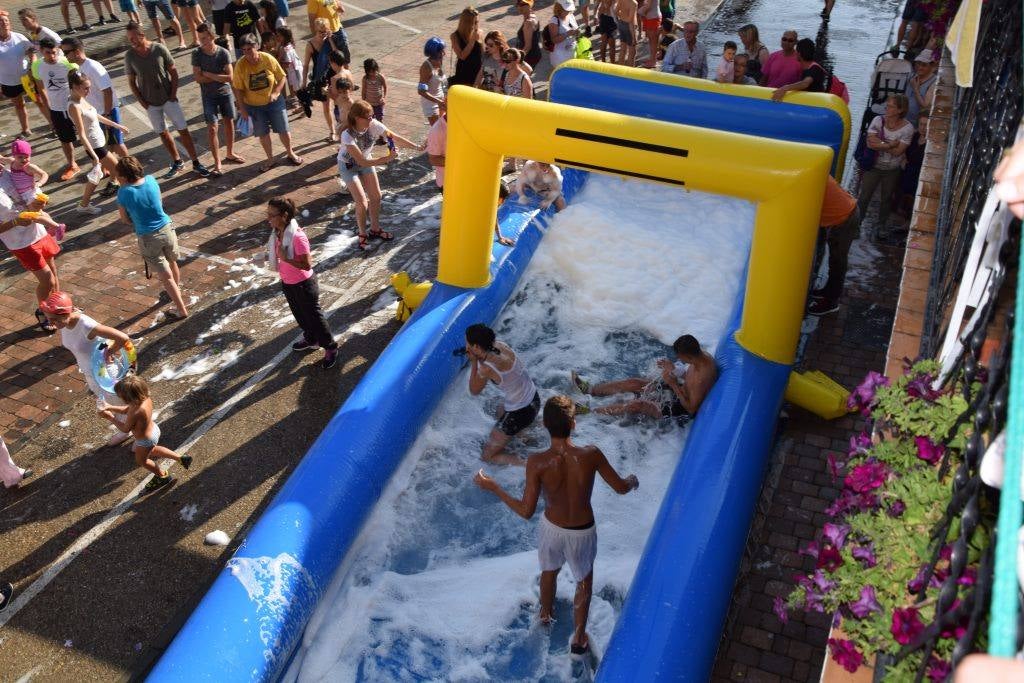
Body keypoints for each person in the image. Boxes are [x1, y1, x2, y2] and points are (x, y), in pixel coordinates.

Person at [473, 395, 639, 655]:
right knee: (584, 581)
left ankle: (544, 615)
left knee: (548, 572)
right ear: (573, 424)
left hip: (552, 529)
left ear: (544, 426)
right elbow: (620, 488)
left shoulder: (537, 462)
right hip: (583, 531)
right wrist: (632, 480)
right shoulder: (591, 454)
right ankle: (579, 638)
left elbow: (526, 511)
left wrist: (495, 487)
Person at [39, 290, 135, 445]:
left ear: (65, 314)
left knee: (120, 403)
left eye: (54, 320)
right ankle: (127, 429)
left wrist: (109, 351)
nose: (51, 324)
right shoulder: (64, 322)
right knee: (110, 403)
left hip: (105, 373)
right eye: (49, 319)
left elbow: (123, 338)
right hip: (89, 372)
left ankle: (139, 433)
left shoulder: (86, 325)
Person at [259, 197, 339, 368]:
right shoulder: (277, 233)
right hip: (288, 282)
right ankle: (311, 339)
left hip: (304, 284)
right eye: (268, 214)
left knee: (314, 318)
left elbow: (306, 264)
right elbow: (279, 255)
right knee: (300, 315)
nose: (268, 218)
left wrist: (285, 258)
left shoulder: (297, 236)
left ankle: (330, 347)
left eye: (272, 215)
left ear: (284, 215)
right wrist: (265, 257)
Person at [124, 22, 211, 178]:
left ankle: (196, 162)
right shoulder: (130, 56)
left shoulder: (159, 48)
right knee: (163, 133)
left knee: (183, 130)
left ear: (142, 35)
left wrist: (172, 95)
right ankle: (177, 161)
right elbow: (131, 82)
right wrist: (143, 103)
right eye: (129, 38)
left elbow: (174, 71)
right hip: (150, 103)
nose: (131, 41)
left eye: (133, 37)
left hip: (168, 99)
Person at [571, 334, 717, 419]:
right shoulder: (699, 355)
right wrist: (674, 369)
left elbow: (691, 409)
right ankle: (590, 390)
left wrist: (672, 384)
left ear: (689, 357)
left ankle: (589, 412)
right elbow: (687, 373)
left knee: (637, 405)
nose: (680, 359)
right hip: (679, 391)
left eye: (681, 357)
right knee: (634, 383)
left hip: (680, 409)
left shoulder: (702, 379)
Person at [338, 100, 421, 249]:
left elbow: (393, 137)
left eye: (372, 116)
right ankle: (362, 234)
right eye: (368, 117)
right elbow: (362, 162)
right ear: (357, 118)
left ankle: (375, 229)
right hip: (348, 166)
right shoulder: (347, 135)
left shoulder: (374, 125)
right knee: (362, 202)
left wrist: (416, 147)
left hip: (366, 161)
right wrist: (386, 159)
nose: (371, 120)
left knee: (376, 196)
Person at [115, 155, 190, 319]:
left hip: (148, 236)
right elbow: (158, 203)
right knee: (172, 261)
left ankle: (181, 309)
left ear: (122, 175)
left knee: (165, 276)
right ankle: (175, 291)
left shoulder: (124, 192)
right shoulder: (151, 180)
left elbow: (125, 219)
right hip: (167, 227)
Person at [62, 36, 131, 198]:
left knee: (116, 145)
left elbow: (107, 91)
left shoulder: (93, 67)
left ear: (77, 52)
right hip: (95, 113)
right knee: (111, 148)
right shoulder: (80, 69)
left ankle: (127, 170)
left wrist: (107, 114)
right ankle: (116, 177)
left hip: (105, 111)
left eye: (67, 52)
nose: (65, 56)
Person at [463, 323, 540, 466]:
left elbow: (474, 391)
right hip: (534, 399)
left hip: (520, 412)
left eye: (468, 344)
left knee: (487, 456)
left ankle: (530, 464)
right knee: (499, 409)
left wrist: (473, 362)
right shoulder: (501, 345)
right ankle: (524, 436)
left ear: (476, 347)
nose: (466, 346)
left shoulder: (487, 368)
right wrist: (479, 356)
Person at [100, 374, 192, 491]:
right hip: (153, 430)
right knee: (152, 450)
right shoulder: (144, 399)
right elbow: (127, 409)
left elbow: (125, 429)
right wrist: (110, 407)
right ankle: (180, 458)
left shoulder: (136, 411)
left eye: (122, 397)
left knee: (142, 460)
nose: (121, 399)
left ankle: (162, 476)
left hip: (145, 440)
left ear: (129, 398)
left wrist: (110, 417)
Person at [0, 164, 61, 334]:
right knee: (47, 280)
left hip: (38, 230)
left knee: (54, 273)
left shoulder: (9, 172)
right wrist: (15, 222)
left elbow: (30, 191)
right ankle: (44, 311)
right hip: (21, 242)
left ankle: (58, 307)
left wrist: (38, 201)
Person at [233, 34, 303, 171]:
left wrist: (276, 92)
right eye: (244, 50)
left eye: (250, 48)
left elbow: (282, 76)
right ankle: (270, 158)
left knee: (283, 129)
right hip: (254, 106)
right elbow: (238, 89)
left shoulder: (267, 58)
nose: (248, 53)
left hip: (274, 103)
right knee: (263, 133)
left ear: (257, 46)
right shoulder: (240, 65)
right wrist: (243, 110)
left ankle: (290, 152)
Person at [66, 70, 129, 214]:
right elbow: (81, 134)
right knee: (120, 171)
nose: (89, 90)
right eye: (86, 88)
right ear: (75, 87)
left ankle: (83, 205)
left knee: (97, 175)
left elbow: (95, 115)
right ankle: (129, 204)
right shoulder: (74, 106)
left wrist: (117, 125)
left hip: (99, 142)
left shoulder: (81, 98)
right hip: (96, 147)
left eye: (89, 87)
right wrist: (94, 156)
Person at [857, 94, 914, 242]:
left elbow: (898, 151)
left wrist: (880, 144)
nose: (886, 108)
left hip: (892, 169)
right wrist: (889, 144)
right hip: (874, 166)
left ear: (900, 110)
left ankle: (881, 226)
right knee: (864, 197)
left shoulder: (908, 128)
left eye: (891, 106)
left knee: (887, 198)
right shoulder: (878, 120)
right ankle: (856, 224)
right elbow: (870, 143)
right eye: (887, 105)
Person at [193, 23, 243, 175]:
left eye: (205, 38)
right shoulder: (196, 54)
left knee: (229, 122)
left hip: (225, 94)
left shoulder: (223, 53)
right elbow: (197, 78)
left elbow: (230, 77)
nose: (203, 42)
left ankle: (229, 152)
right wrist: (217, 77)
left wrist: (208, 74)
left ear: (212, 37)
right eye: (201, 39)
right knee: (212, 128)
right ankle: (217, 162)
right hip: (208, 96)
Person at [808, 177, 860, 316]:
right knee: (835, 260)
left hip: (844, 219)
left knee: (838, 262)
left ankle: (831, 302)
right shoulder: (812, 170)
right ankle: (829, 290)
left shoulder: (805, 180)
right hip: (846, 212)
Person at [32, 38, 79, 182]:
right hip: (56, 109)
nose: (52, 56)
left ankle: (101, 164)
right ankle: (72, 165)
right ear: (41, 51)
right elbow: (42, 90)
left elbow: (79, 84)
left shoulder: (67, 62)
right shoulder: (37, 66)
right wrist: (49, 113)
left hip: (74, 106)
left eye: (54, 52)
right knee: (65, 140)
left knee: (88, 135)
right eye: (48, 53)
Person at [0, 140, 66, 240]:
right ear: (14, 156)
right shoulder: (11, 161)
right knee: (40, 213)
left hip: (30, 193)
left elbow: (44, 174)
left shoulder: (29, 167)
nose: (24, 160)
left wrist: (39, 183)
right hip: (24, 194)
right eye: (20, 157)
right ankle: (52, 227)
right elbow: (1, 158)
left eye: (26, 156)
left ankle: (57, 226)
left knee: (34, 216)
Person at [0, 11, 35, 139]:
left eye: (6, 21)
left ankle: (54, 126)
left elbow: (31, 50)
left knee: (40, 101)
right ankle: (26, 129)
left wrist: (33, 65)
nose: (4, 23)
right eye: (1, 21)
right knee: (19, 104)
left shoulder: (19, 37)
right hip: (8, 81)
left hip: (26, 77)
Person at [302, 19, 338, 138]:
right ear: (315, 30)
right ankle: (332, 131)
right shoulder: (310, 44)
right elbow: (306, 65)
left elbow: (337, 55)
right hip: (321, 77)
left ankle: (342, 127)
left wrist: (330, 39)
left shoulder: (329, 41)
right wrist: (303, 82)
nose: (322, 34)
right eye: (320, 32)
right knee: (326, 105)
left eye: (324, 31)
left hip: (333, 75)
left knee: (339, 102)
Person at [449, 7, 482, 89]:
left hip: (477, 69)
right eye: (474, 22)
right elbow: (462, 56)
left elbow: (482, 51)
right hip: (464, 71)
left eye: (477, 22)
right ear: (467, 22)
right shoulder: (455, 36)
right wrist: (473, 40)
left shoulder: (479, 32)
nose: (476, 25)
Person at [418, 37, 446, 125]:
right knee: (438, 128)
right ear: (435, 53)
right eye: (442, 51)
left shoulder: (439, 61)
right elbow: (421, 91)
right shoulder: (426, 68)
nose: (444, 53)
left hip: (441, 99)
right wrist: (438, 101)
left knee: (444, 126)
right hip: (431, 104)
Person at [905, 50, 937, 127]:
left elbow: (925, 107)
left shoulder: (933, 83)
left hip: (916, 125)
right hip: (904, 120)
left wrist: (916, 89)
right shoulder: (912, 76)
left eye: (924, 65)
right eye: (918, 63)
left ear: (931, 66)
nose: (919, 67)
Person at [546, 1, 579, 72]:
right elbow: (554, 40)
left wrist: (577, 32)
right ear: (559, 8)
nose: (568, 11)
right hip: (560, 56)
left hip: (572, 52)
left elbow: (576, 29)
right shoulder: (554, 21)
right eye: (566, 10)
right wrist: (567, 34)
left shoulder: (571, 15)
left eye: (569, 9)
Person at [515, 0, 542, 69]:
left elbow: (528, 47)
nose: (519, 6)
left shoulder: (528, 23)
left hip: (528, 57)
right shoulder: (533, 15)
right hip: (534, 54)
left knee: (521, 78)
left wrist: (517, 59)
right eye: (517, 3)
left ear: (529, 5)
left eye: (522, 4)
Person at [637, 0, 659, 68]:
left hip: (653, 18)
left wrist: (639, 11)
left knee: (653, 41)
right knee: (651, 41)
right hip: (650, 17)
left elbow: (648, 6)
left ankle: (653, 62)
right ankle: (652, 59)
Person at [362, 58, 386, 122]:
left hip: (379, 103)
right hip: (369, 103)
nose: (372, 73)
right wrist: (363, 101)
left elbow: (385, 87)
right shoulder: (365, 79)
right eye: (370, 72)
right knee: (370, 119)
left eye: (374, 71)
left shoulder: (380, 77)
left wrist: (383, 97)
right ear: (367, 71)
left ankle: (380, 130)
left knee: (379, 118)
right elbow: (363, 90)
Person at [614, 0, 636, 67]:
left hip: (621, 24)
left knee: (623, 49)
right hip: (629, 27)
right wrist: (634, 37)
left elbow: (616, 12)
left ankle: (620, 71)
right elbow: (630, 20)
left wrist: (622, 17)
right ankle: (630, 73)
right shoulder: (633, 3)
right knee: (632, 52)